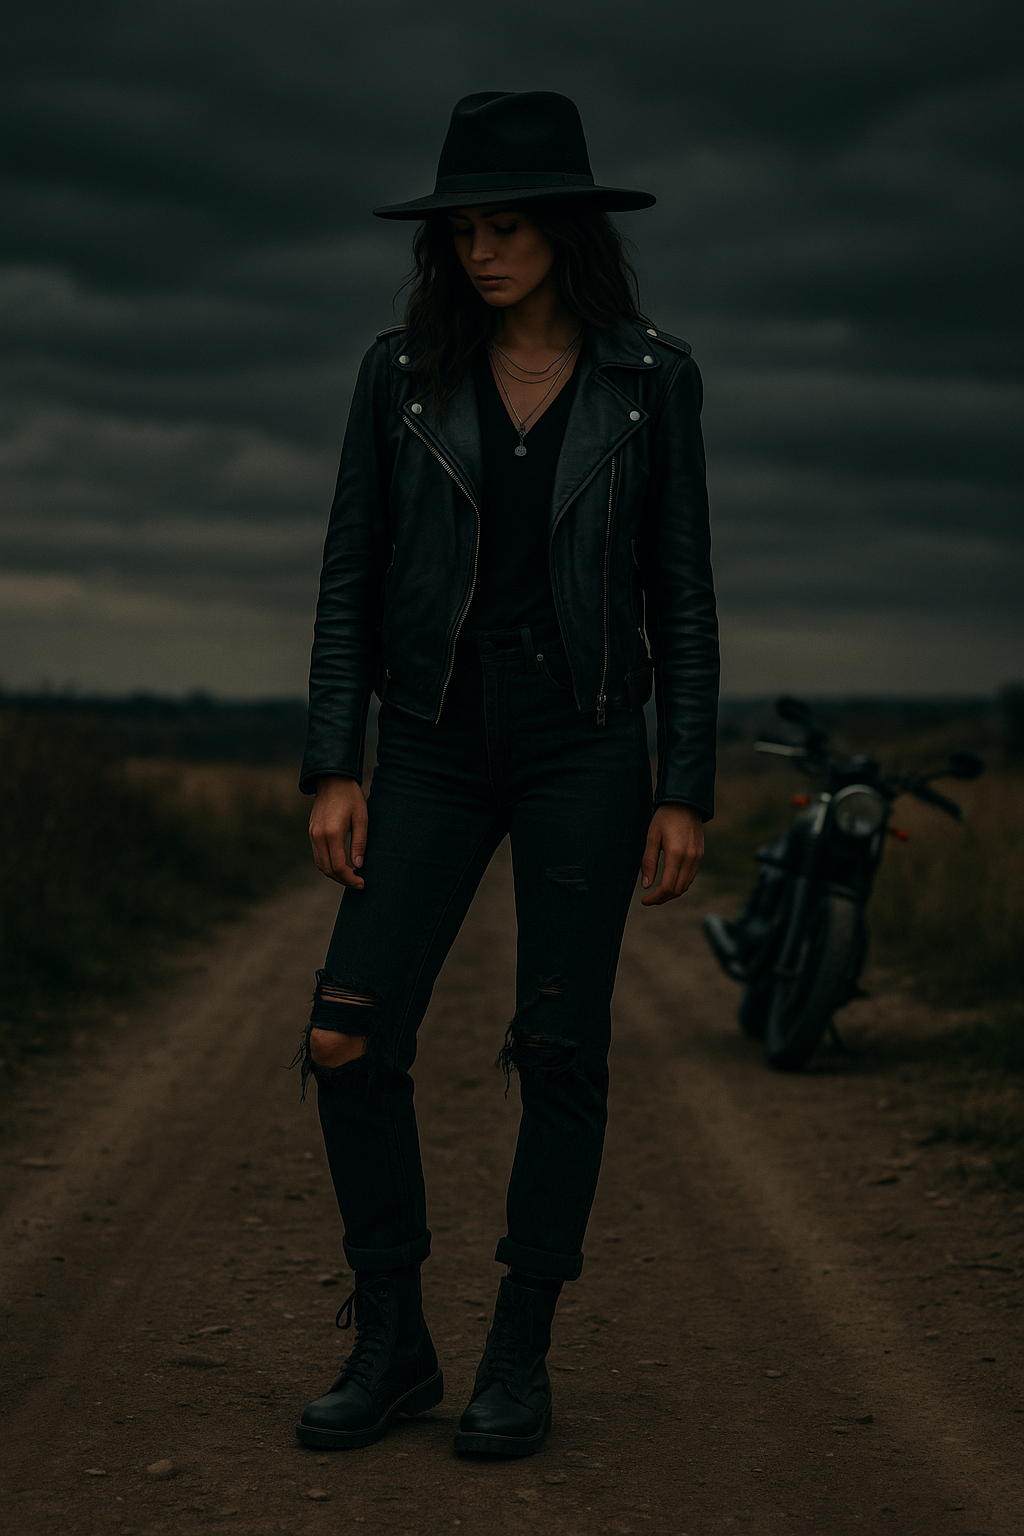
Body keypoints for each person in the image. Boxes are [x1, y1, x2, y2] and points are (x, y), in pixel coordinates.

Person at [293, 91, 719, 1457]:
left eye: (508, 227)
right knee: (344, 1036)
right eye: (464, 230)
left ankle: (518, 1357)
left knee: (560, 1048)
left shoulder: (652, 380)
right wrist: (333, 764)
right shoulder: (399, 374)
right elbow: (349, 577)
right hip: (427, 740)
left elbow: (683, 595)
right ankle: (398, 1342)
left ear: (567, 233)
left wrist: (682, 783)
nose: (481, 252)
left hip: (584, 743)